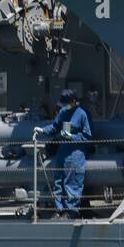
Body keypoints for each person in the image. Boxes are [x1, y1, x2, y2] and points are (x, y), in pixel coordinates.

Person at [38, 89, 92, 218]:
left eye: (66, 103)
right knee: (58, 181)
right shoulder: (63, 112)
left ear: (73, 101)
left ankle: (71, 211)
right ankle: (59, 210)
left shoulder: (83, 114)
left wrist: (72, 137)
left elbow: (87, 136)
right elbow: (55, 127)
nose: (64, 107)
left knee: (72, 181)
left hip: (75, 153)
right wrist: (42, 130)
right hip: (62, 151)